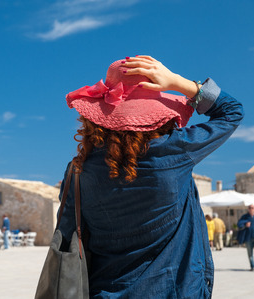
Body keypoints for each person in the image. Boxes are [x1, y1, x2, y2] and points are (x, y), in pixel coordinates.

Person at [58, 56, 243, 297]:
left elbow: (66, 233)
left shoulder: (78, 170)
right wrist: (179, 82)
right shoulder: (176, 150)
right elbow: (231, 112)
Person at [237, 204, 254, 271]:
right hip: (248, 238)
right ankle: (252, 266)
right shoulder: (244, 217)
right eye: (249, 208)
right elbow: (239, 224)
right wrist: (245, 224)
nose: (251, 209)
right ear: (248, 209)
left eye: (252, 208)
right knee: (250, 254)